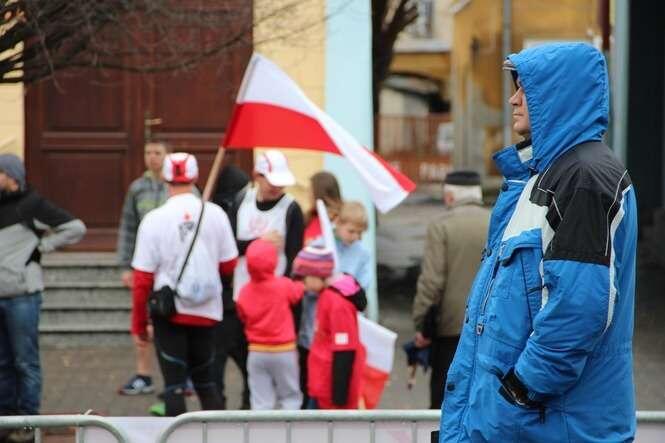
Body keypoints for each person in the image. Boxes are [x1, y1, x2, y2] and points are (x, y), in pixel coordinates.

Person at [439, 42, 637, 442]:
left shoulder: (583, 178)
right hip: (530, 424)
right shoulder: (544, 176)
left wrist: (520, 392)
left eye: (524, 89)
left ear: (556, 94)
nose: (513, 99)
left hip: (551, 425)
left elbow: (578, 310)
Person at [131, 152, 238, 417]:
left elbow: (142, 278)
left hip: (169, 313)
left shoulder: (154, 219)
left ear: (165, 178)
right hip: (208, 312)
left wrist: (139, 323)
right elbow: (229, 265)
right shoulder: (216, 215)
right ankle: (216, 434)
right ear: (195, 177)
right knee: (206, 383)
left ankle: (175, 433)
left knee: (174, 386)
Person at [0, 154, 86, 443]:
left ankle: (28, 423)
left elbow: (76, 228)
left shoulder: (31, 204)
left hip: (22, 297)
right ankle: (5, 420)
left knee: (25, 362)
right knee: (3, 363)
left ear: (12, 176)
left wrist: (42, 246)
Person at [411, 170, 490, 410]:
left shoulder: (441, 226)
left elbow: (432, 282)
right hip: (490, 326)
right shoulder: (497, 220)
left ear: (449, 196)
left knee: (446, 400)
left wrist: (421, 324)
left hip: (450, 329)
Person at [116, 141, 170, 396]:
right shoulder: (137, 188)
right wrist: (125, 265)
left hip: (172, 268)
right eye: (148, 153)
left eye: (158, 153)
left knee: (172, 322)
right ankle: (143, 375)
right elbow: (128, 227)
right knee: (141, 319)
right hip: (144, 265)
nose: (152, 157)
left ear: (168, 156)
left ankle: (181, 377)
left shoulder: (179, 187)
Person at [236, 239, 306, 410]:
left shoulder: (244, 292)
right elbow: (298, 292)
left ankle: (261, 427)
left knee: (260, 400)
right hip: (284, 350)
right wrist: (301, 280)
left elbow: (243, 316)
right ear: (274, 262)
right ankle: (289, 426)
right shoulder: (283, 285)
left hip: (256, 351)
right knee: (290, 397)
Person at [228, 149, 305, 299]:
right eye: (272, 183)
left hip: (276, 296)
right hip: (243, 291)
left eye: (281, 184)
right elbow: (230, 246)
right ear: (257, 176)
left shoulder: (291, 209)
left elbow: (294, 257)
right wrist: (259, 242)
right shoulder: (241, 201)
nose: (277, 188)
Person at [210, 151, 251, 410]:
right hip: (222, 303)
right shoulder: (216, 216)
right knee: (216, 367)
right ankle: (218, 414)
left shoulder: (242, 213)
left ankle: (245, 410)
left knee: (247, 364)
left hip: (237, 304)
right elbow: (228, 250)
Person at [307, 273, 367, 409]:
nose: (302, 284)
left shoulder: (337, 304)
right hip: (321, 384)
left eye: (304, 278)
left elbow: (345, 351)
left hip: (330, 392)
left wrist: (339, 397)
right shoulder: (326, 296)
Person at [291, 244, 337, 408]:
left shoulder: (330, 297)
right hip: (303, 346)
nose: (302, 282)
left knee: (315, 388)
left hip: (320, 352)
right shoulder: (301, 293)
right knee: (303, 384)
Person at [334, 201, 370, 290]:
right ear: (338, 223)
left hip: (349, 297)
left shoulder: (363, 253)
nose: (356, 237)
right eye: (351, 231)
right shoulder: (323, 243)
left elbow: (363, 284)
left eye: (359, 232)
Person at [303, 171, 342, 245]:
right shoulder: (308, 218)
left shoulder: (341, 220)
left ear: (319, 193)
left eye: (310, 191)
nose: (308, 195)